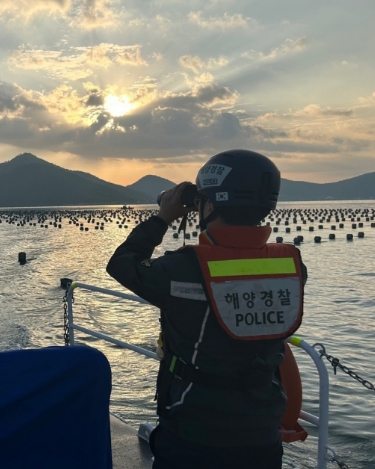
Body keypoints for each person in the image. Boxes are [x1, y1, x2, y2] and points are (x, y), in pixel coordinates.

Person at [106, 150, 307, 469]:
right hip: (262, 433)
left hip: (193, 433)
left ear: (210, 205)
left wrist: (163, 217)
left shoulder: (183, 268)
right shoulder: (291, 264)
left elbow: (122, 264)